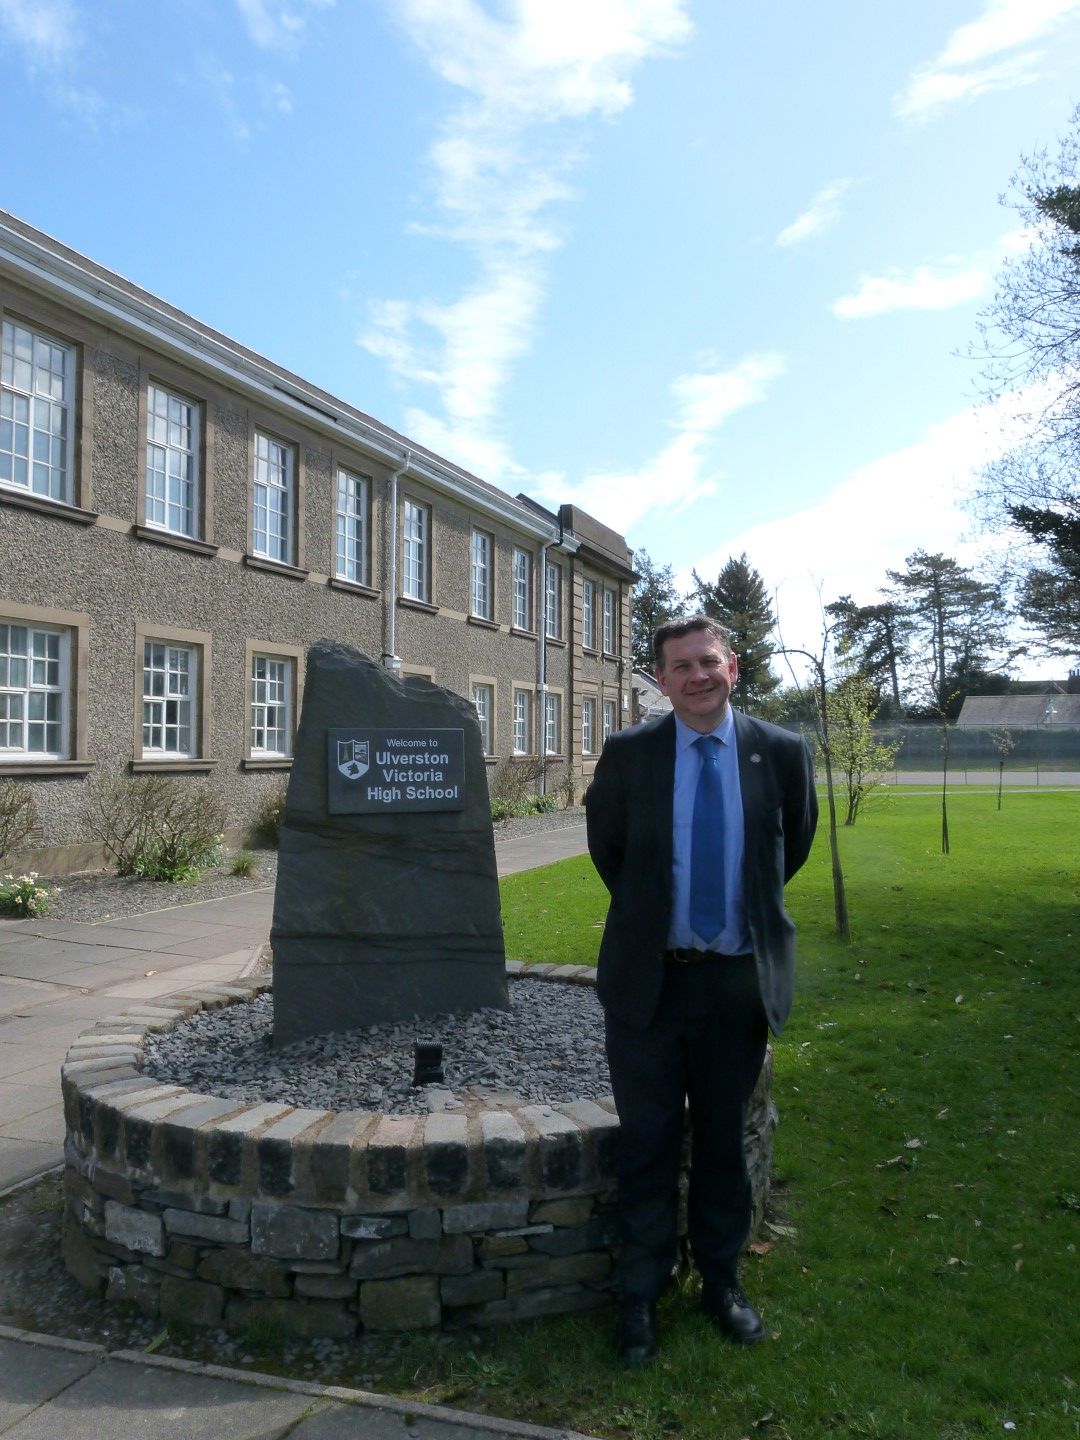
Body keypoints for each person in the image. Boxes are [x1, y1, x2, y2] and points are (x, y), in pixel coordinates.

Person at [585, 615, 818, 1366]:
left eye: (708, 661)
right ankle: (641, 1294)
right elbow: (611, 852)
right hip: (650, 984)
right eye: (679, 666)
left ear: (734, 666)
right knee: (647, 1142)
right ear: (661, 678)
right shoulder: (629, 755)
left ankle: (722, 1283)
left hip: (735, 988)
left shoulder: (780, 753)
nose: (696, 676)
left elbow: (793, 845)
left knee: (722, 1141)